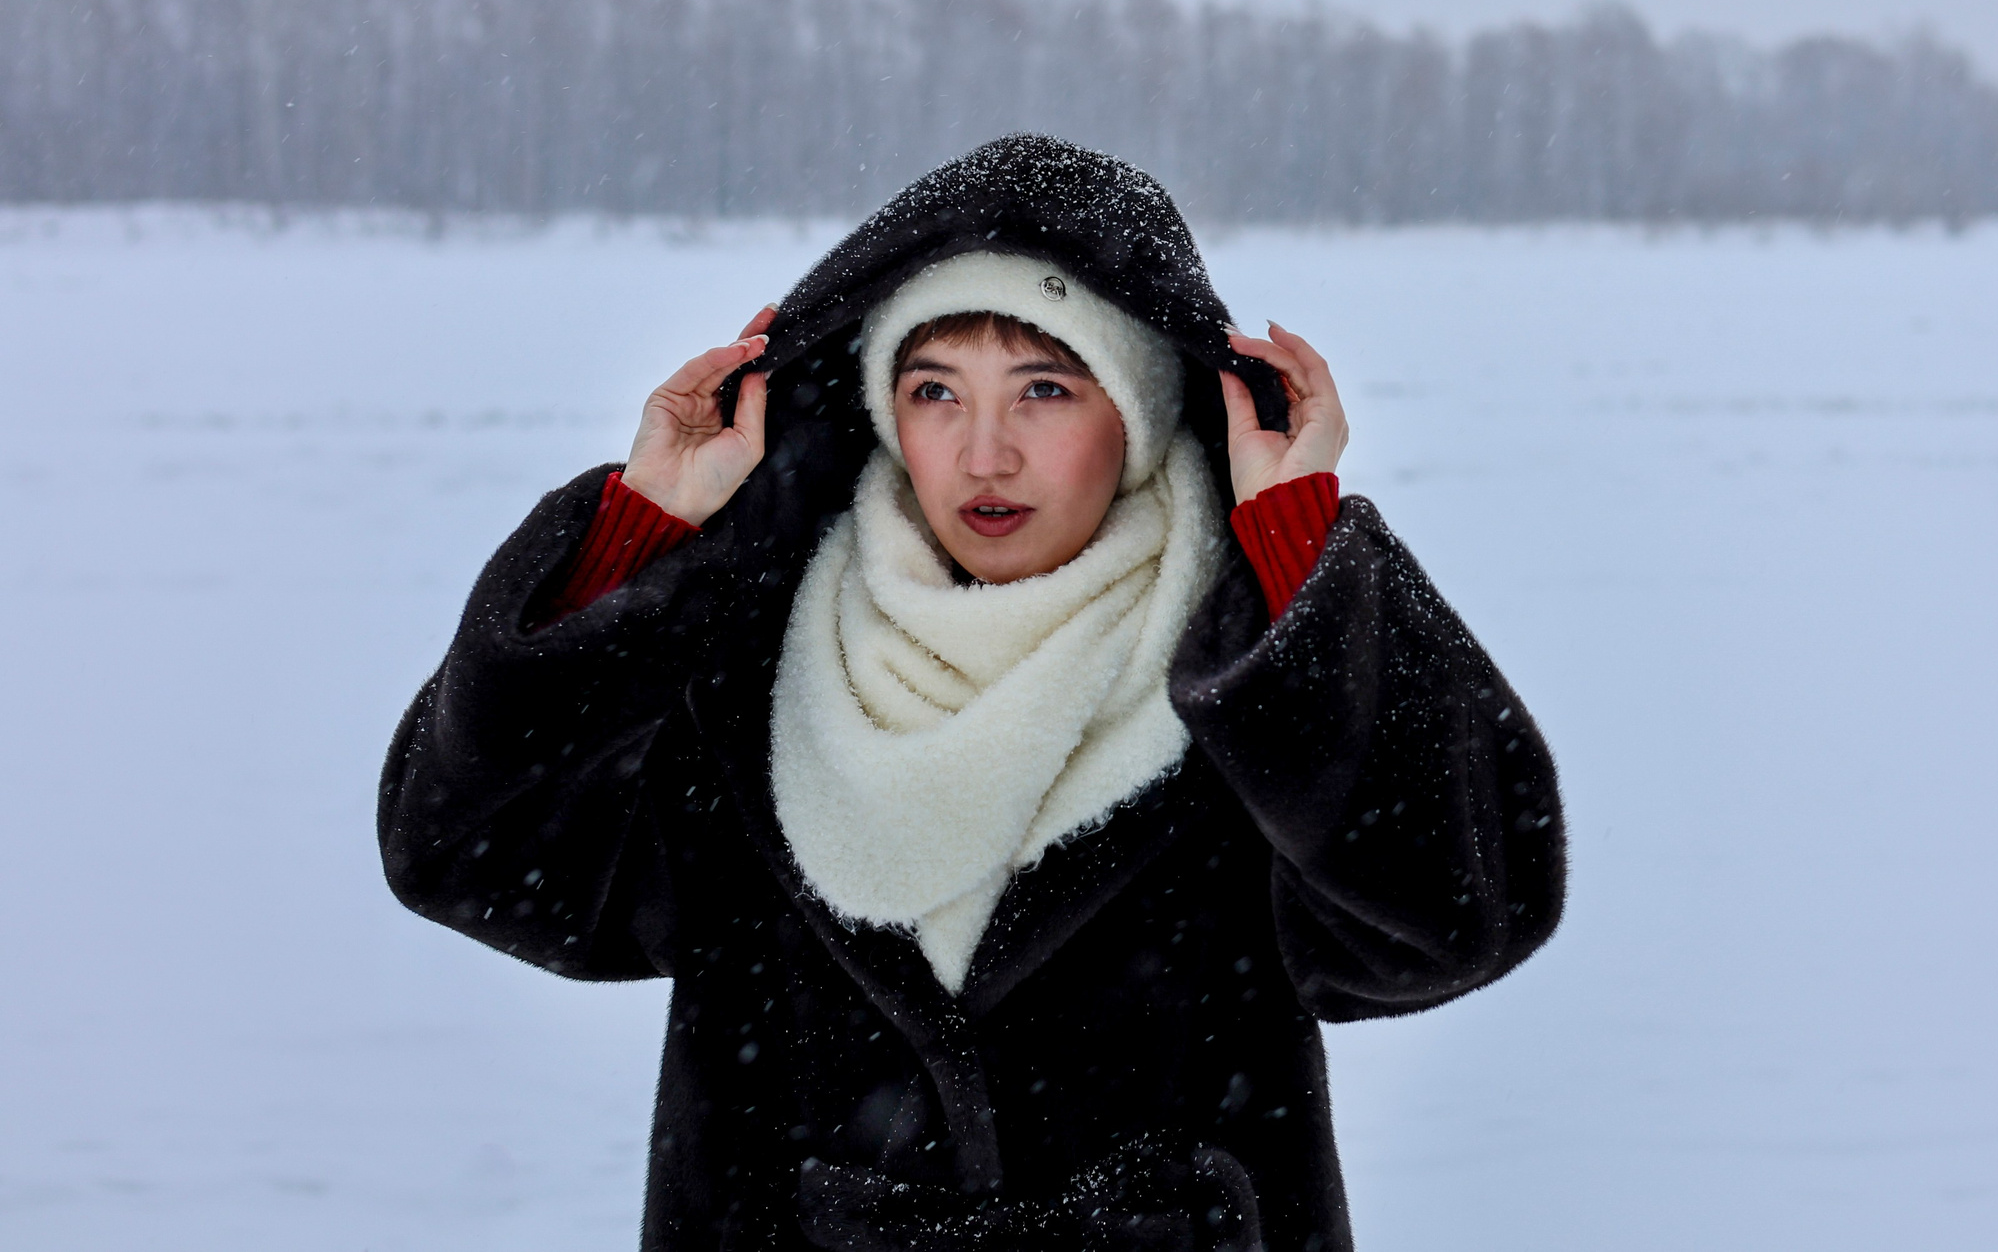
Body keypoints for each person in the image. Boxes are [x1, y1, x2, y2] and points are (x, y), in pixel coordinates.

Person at [379, 134, 1566, 1251]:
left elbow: (1455, 914)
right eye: (935, 390)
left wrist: (1299, 557)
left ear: (1144, 414)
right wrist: (635, 543)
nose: (983, 453)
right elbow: (472, 856)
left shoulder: (1245, 666)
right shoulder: (755, 657)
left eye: (1046, 390)